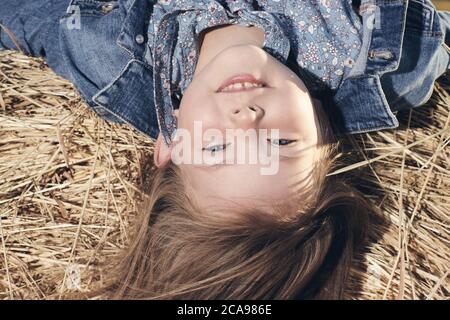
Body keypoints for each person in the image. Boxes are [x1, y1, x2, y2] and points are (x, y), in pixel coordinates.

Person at [1, 0, 448, 299]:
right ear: (325, 132)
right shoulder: (382, 58)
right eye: (280, 142)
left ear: (170, 143)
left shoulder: (107, 60)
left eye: (215, 148)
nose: (247, 118)